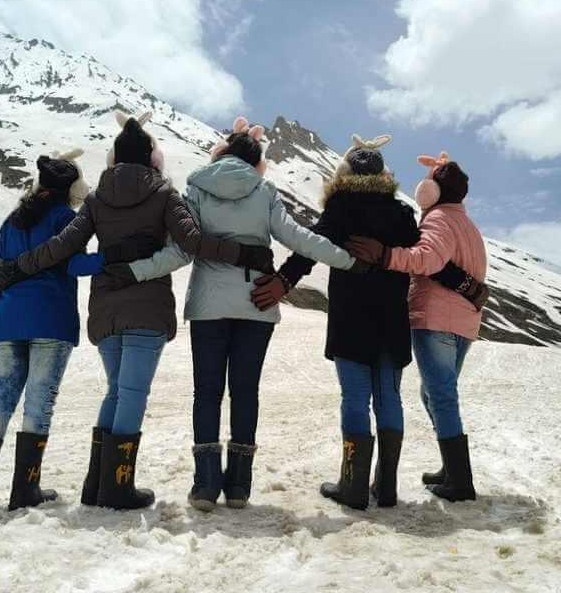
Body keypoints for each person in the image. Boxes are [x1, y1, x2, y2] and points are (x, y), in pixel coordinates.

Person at [0, 112, 274, 511]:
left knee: (115, 391)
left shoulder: (95, 199)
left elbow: (62, 246)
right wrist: (244, 252)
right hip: (146, 307)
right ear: (152, 158)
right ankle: (117, 486)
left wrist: (19, 266)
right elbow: (193, 241)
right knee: (132, 394)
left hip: (106, 308)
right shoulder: (164, 194)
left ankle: (97, 483)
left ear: (113, 158)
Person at [122, 117, 369, 512]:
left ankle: (205, 486)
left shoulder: (197, 188)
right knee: (245, 391)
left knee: (206, 392)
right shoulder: (264, 191)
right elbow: (299, 238)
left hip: (208, 304)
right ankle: (238, 487)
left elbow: (183, 249)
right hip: (257, 303)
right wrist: (347, 261)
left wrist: (133, 271)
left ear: (223, 153)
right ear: (257, 162)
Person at [251, 135, 486, 510]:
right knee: (389, 397)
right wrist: (468, 287)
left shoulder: (341, 208)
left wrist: (283, 281)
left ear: (345, 172)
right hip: (391, 318)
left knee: (355, 398)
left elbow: (310, 247)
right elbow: (426, 259)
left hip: (351, 316)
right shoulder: (401, 213)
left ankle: (353, 485)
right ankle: (387, 486)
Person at [0, 150, 146, 515]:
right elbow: (74, 265)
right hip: (50, 318)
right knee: (38, 402)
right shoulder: (66, 218)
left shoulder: (12, 221)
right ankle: (25, 488)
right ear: (71, 188)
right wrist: (114, 256)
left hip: (6, 319)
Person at [347, 152, 487, 502]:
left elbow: (427, 259)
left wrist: (385, 256)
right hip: (464, 321)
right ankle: (450, 468)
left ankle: (459, 480)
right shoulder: (468, 225)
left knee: (440, 394)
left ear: (431, 192)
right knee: (435, 393)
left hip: (436, 316)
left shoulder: (438, 220)